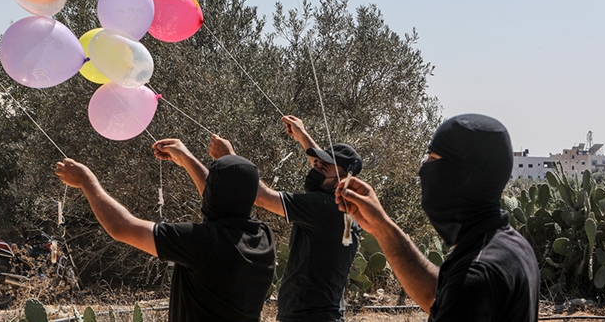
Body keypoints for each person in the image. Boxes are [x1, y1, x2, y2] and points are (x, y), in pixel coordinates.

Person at [335, 114, 540, 322]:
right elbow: (436, 296)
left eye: (432, 159)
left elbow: (460, 293)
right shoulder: (511, 246)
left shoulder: (476, 274)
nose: (423, 169)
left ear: (463, 174)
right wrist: (381, 227)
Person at [56, 139, 275, 322]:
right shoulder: (263, 237)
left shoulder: (202, 242)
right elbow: (224, 199)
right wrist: (187, 159)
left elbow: (121, 227)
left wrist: (86, 181)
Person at [208, 116, 363, 322]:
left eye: (322, 168)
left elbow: (262, 197)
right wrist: (303, 136)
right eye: (316, 163)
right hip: (322, 314)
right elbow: (324, 165)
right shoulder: (345, 206)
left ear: (343, 180)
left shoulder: (323, 206)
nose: (315, 169)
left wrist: (229, 158)